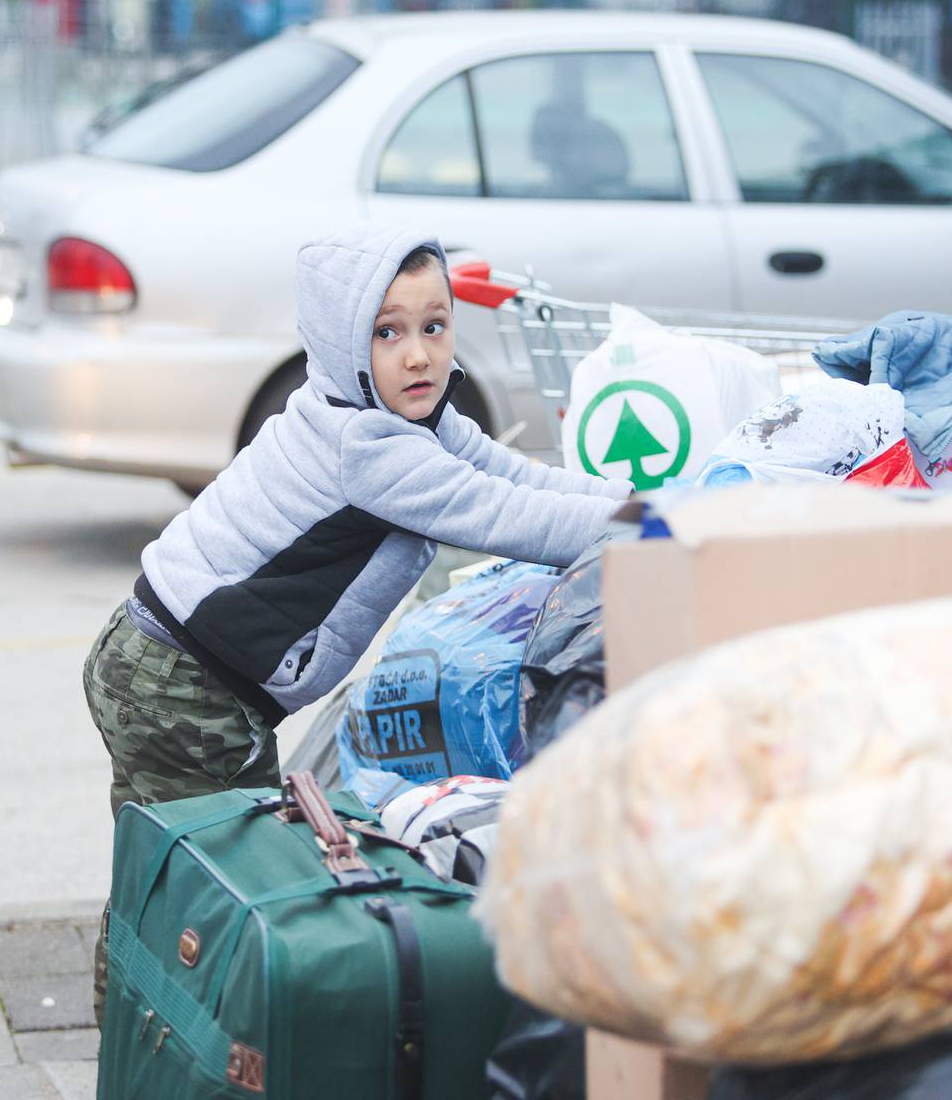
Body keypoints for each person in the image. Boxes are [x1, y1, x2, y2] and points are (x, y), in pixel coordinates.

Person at [82, 225, 632, 1013]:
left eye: (434, 327)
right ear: (345, 344)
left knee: (159, 877)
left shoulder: (406, 421)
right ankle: (183, 1052)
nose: (418, 355)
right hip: (184, 690)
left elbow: (523, 477)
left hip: (152, 661)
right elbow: (513, 517)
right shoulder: (367, 446)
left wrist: (651, 500)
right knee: (229, 893)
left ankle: (135, 1055)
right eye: (388, 332)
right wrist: (670, 523)